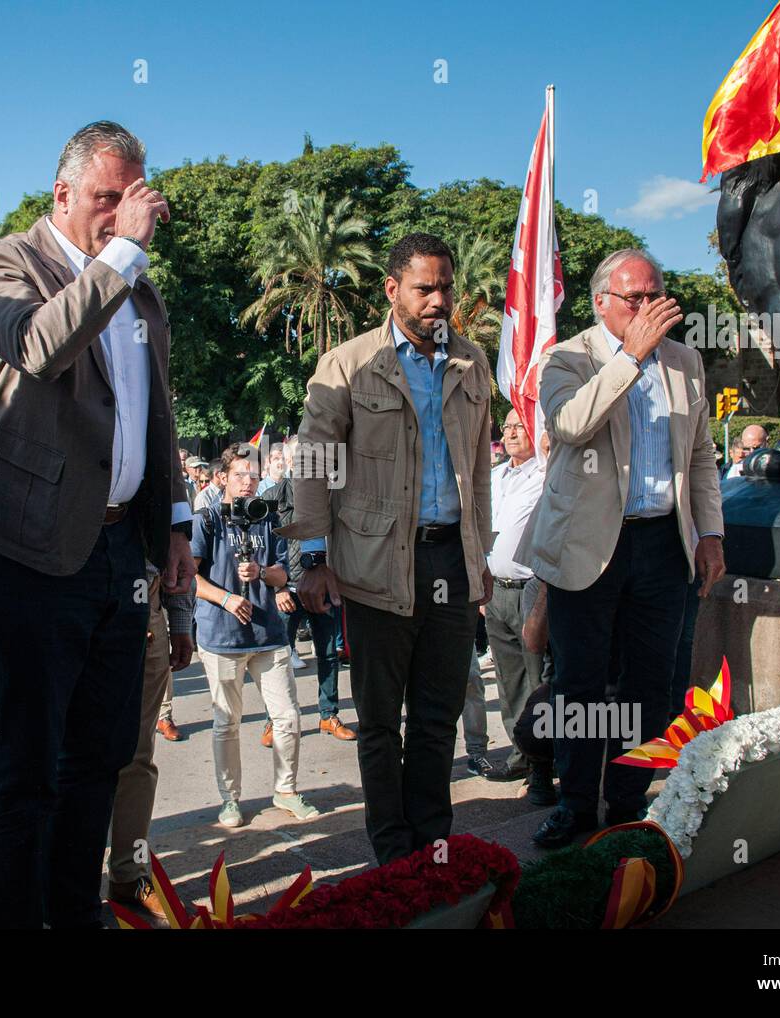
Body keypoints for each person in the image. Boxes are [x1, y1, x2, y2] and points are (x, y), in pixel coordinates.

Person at [0, 120, 195, 928]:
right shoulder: (2, 263)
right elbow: (36, 347)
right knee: (27, 766)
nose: (125, 212)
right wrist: (120, 256)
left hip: (122, 550)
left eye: (134, 197)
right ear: (61, 194)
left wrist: (175, 522)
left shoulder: (142, 291)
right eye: (106, 197)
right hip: (31, 552)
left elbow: (155, 414)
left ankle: (75, 912)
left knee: (100, 757)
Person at [284, 232, 493, 865]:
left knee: (437, 717)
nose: (438, 300)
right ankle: (392, 856)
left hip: (451, 563)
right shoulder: (348, 363)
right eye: (425, 288)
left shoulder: (472, 363)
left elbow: (479, 468)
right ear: (391, 289)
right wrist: (314, 559)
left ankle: (433, 849)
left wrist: (480, 560)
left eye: (446, 287)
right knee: (379, 724)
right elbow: (314, 464)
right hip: (374, 567)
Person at [519, 247, 725, 848]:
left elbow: (701, 455)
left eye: (656, 294)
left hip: (663, 545)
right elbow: (567, 425)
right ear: (601, 301)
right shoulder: (566, 357)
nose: (649, 307)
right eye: (634, 297)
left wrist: (710, 532)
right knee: (578, 684)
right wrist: (630, 357)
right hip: (587, 548)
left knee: (650, 684)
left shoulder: (686, 360)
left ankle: (629, 801)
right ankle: (577, 803)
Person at [193, 444, 318, 827]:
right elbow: (190, 578)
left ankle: (286, 789)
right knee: (226, 723)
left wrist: (262, 574)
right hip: (223, 638)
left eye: (253, 475)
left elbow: (285, 574)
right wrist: (228, 598)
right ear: (222, 478)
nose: (248, 483)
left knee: (287, 717)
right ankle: (230, 799)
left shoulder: (268, 516)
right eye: (240, 476)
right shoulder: (207, 519)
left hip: (268, 635)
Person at [462, 407, 546, 781]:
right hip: (495, 589)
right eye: (508, 426)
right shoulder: (495, 477)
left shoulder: (547, 475)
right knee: (510, 681)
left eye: (520, 426)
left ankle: (545, 761)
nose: (512, 433)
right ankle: (520, 753)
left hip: (532, 589)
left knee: (537, 681)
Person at [106, 567, 194, 918]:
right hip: (77, 598)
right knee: (74, 760)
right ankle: (69, 882)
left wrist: (180, 622)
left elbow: (175, 541)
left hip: (147, 608)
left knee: (138, 757)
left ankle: (130, 874)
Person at [270, 435, 353, 741]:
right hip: (287, 590)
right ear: (289, 461)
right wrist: (276, 589)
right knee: (279, 659)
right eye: (299, 459)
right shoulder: (273, 494)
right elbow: (268, 546)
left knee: (329, 654)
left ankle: (328, 715)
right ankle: (274, 720)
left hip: (325, 586)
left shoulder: (331, 493)